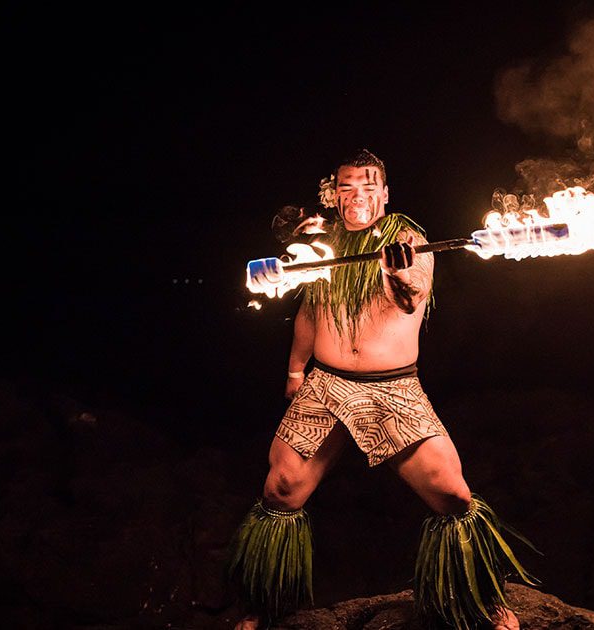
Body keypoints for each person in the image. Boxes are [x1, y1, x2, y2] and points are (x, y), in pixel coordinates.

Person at [227, 150, 537, 630]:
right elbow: (311, 310)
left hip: (392, 389)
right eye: (347, 187)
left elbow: (412, 297)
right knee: (280, 490)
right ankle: (260, 604)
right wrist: (295, 371)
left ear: (385, 194)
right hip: (326, 385)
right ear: (334, 194)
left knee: (453, 496)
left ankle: (484, 602)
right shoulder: (322, 243)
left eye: (368, 187)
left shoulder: (408, 240)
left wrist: (396, 273)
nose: (357, 197)